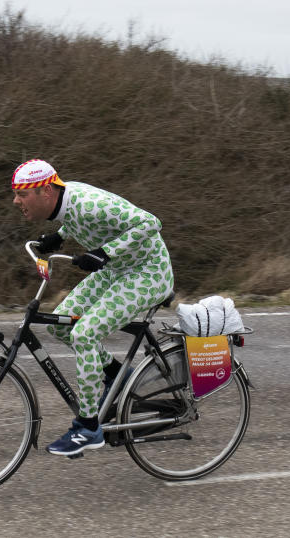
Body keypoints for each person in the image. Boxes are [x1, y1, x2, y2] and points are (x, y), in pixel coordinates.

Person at [11, 158, 174, 456]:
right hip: (117, 271)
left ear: (45, 191)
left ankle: (88, 428)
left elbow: (152, 222)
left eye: (22, 194)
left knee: (84, 334)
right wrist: (58, 238)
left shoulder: (90, 203)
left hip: (147, 272)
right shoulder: (65, 202)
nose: (16, 200)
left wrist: (104, 252)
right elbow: (81, 221)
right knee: (59, 324)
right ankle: (116, 375)